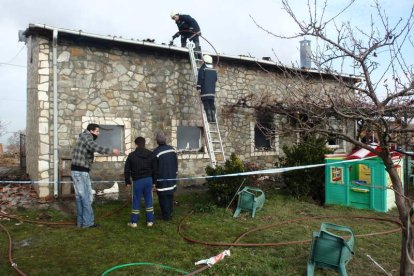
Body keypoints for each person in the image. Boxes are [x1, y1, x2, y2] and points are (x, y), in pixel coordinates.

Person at [71, 123, 120, 228]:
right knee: (87, 197)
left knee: (80, 197)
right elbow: (94, 146)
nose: (99, 133)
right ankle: (88, 223)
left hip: (78, 171)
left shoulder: (83, 137)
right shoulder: (87, 137)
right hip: (81, 172)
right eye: (97, 131)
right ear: (91, 131)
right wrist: (111, 150)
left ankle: (81, 222)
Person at [124, 136, 157, 228]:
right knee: (149, 200)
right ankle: (150, 221)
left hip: (137, 181)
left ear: (136, 144)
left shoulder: (131, 155)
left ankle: (134, 222)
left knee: (136, 200)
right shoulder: (151, 154)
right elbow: (155, 169)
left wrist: (128, 181)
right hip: (148, 180)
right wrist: (154, 182)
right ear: (144, 143)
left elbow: (127, 170)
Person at [152, 131, 178, 221]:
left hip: (162, 180)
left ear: (157, 141)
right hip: (171, 178)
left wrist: (154, 182)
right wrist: (175, 174)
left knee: (163, 198)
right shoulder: (172, 149)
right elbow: (176, 163)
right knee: (170, 196)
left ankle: (166, 216)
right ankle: (170, 212)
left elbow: (154, 169)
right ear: (165, 139)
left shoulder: (155, 152)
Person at [197, 54, 218, 123]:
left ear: (204, 61)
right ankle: (213, 118)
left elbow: (200, 78)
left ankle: (209, 118)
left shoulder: (203, 69)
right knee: (211, 104)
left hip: (205, 91)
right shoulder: (214, 70)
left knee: (206, 104)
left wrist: (198, 87)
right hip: (212, 92)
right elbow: (215, 79)